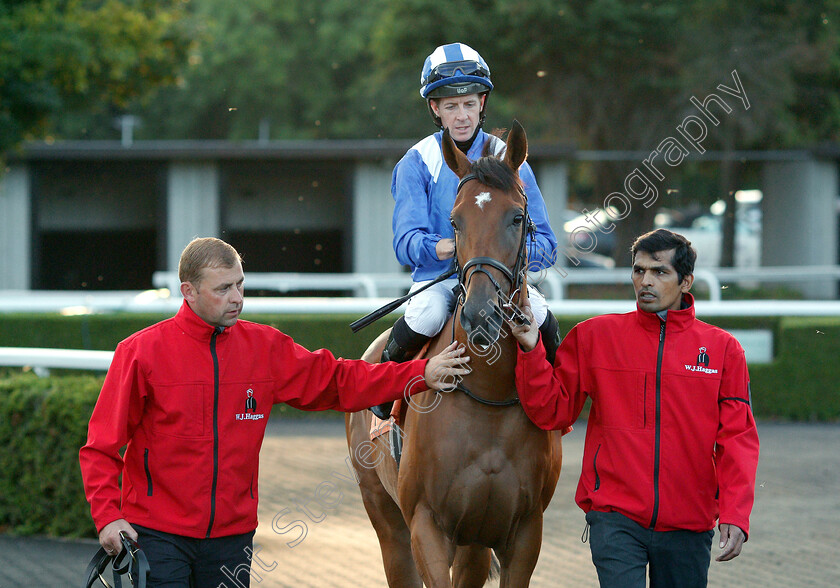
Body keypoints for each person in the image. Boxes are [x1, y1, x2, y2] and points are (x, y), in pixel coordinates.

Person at [79, 237, 470, 587]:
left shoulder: (264, 347)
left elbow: (339, 380)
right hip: (158, 537)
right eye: (223, 289)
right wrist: (109, 516)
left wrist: (420, 373)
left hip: (231, 540)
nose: (237, 297)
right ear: (189, 291)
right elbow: (99, 447)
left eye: (240, 284)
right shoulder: (140, 353)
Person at [508, 229, 760, 588]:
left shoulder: (723, 350)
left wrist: (736, 513)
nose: (646, 281)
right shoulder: (593, 337)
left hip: (689, 522)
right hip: (614, 518)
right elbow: (553, 411)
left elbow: (738, 440)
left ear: (686, 281)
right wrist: (532, 348)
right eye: (638, 270)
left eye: (660, 272)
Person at [372, 42, 561, 419]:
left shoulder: (512, 158)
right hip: (438, 280)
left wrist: (506, 255)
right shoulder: (416, 161)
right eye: (451, 106)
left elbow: (548, 245)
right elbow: (405, 242)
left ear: (482, 104)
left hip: (504, 281)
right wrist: (452, 248)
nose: (462, 116)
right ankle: (385, 400)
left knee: (541, 317)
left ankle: (560, 400)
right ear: (435, 109)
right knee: (424, 316)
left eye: (469, 104)